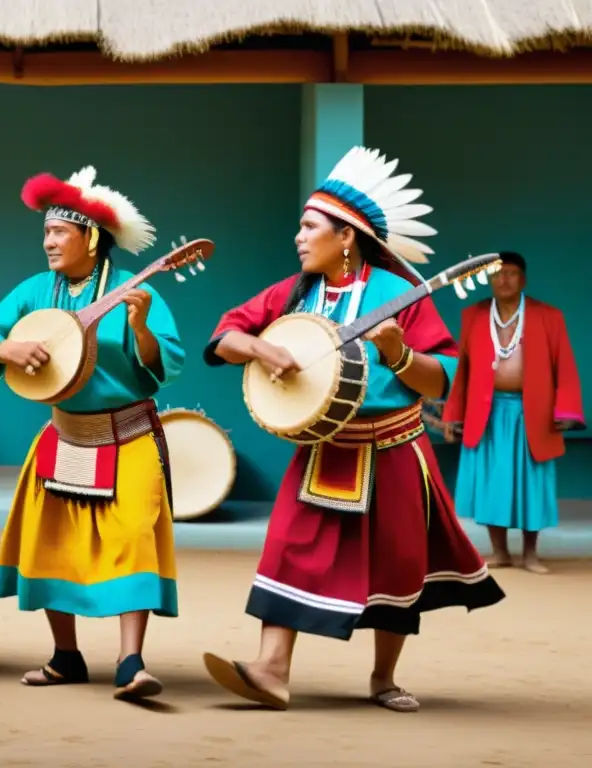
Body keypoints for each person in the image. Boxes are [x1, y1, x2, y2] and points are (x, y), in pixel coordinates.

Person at [200, 147, 505, 713]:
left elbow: (441, 382)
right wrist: (264, 348)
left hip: (392, 447)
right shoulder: (294, 292)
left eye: (309, 226)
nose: (298, 236)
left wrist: (399, 353)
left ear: (346, 237)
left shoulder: (399, 295)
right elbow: (224, 337)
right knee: (288, 547)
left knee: (397, 561)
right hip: (321, 449)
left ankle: (384, 677)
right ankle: (269, 670)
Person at [0, 166, 185, 701]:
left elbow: (168, 364)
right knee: (52, 542)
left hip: (127, 434)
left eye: (59, 233)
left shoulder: (138, 292)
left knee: (133, 536)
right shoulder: (37, 290)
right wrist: (4, 349)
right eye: (45, 233)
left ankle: (131, 661)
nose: (49, 243)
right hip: (63, 434)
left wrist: (139, 329)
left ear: (91, 236)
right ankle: (65, 657)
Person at [441, 251, 584, 574]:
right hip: (487, 413)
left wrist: (567, 410)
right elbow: (463, 369)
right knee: (492, 485)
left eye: (511, 273)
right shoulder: (474, 315)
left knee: (531, 485)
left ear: (524, 279)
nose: (504, 279)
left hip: (532, 412)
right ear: (490, 279)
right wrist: (453, 415)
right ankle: (501, 552)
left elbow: (565, 366)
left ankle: (531, 555)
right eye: (498, 274)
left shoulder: (548, 316)